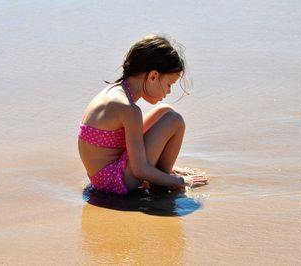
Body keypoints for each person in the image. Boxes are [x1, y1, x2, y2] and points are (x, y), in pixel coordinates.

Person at [78, 34, 208, 195]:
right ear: (153, 76)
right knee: (175, 120)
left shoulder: (114, 93)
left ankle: (160, 174)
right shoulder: (128, 109)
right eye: (169, 84)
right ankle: (162, 180)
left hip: (102, 177)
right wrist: (180, 181)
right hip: (116, 182)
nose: (168, 91)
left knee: (165, 110)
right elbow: (139, 170)